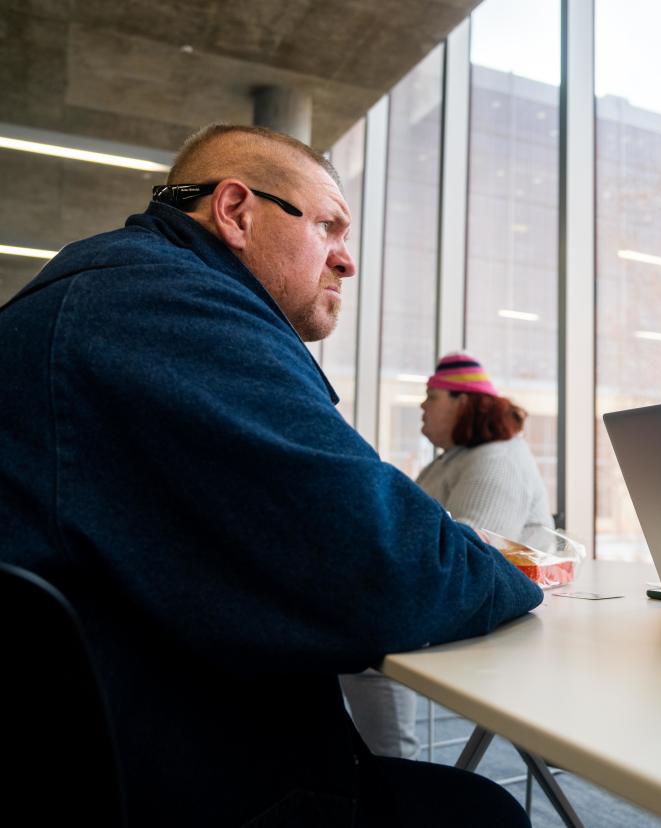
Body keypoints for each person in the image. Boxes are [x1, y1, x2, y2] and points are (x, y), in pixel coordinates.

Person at [0, 123, 543, 826]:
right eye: (329, 227)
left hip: (123, 746)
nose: (346, 262)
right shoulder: (177, 314)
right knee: (479, 815)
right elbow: (393, 572)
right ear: (236, 211)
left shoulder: (103, 295)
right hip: (181, 781)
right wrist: (518, 572)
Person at [342, 352, 553, 759]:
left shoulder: (499, 458)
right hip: (477, 594)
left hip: (504, 611)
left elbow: (473, 554)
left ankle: (393, 771)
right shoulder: (455, 460)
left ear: (464, 401)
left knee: (369, 641)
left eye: (431, 396)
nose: (422, 406)